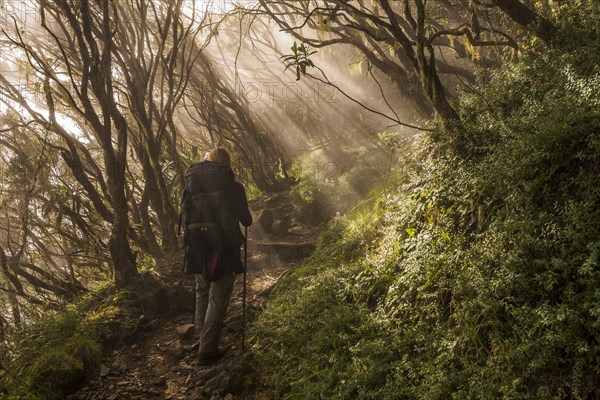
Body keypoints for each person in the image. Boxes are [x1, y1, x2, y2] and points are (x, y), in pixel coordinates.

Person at [193, 147, 252, 365]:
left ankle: (201, 338)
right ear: (227, 164)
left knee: (201, 292)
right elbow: (247, 221)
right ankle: (207, 350)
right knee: (217, 297)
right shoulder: (234, 187)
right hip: (224, 250)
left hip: (197, 248)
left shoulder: (194, 184)